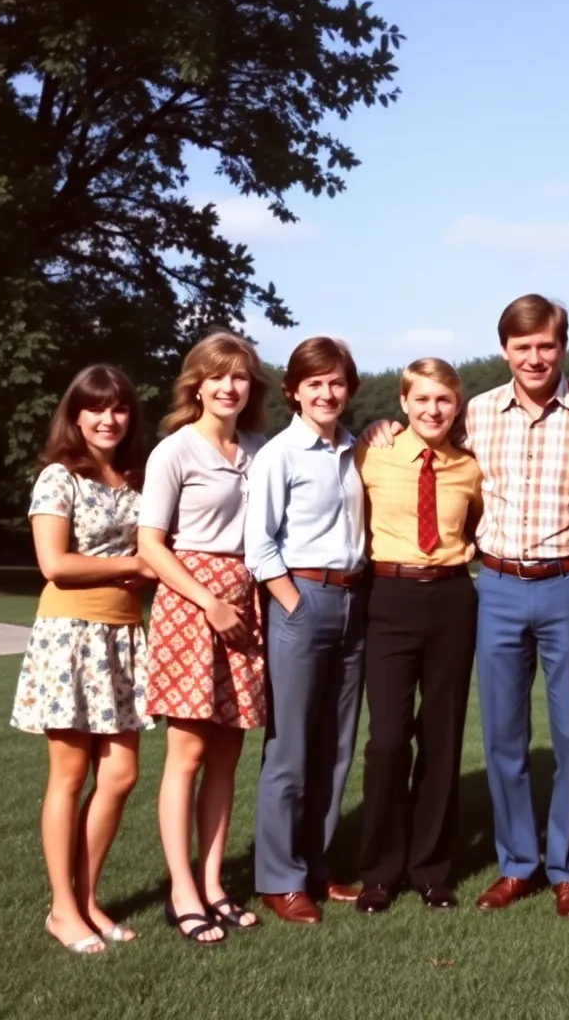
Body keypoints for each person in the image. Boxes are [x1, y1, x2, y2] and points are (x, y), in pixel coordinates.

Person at [363, 295, 569, 917]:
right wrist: (379, 428)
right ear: (505, 349)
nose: (535, 358)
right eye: (522, 346)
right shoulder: (476, 412)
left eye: (546, 346)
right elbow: (428, 451)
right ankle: (516, 865)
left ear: (563, 347)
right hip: (497, 588)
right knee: (503, 738)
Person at [11, 364, 154, 954]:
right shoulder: (57, 478)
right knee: (69, 778)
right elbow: (56, 563)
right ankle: (62, 910)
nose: (108, 418)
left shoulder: (136, 477)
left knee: (120, 775)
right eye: (95, 407)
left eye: (119, 407)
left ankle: (88, 897)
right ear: (75, 414)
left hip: (123, 636)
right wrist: (134, 567)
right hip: (69, 636)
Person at [137, 328, 268, 946]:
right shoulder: (175, 451)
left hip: (246, 604)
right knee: (186, 754)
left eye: (239, 376)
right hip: (194, 604)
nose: (228, 386)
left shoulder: (259, 449)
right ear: (197, 383)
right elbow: (150, 546)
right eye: (217, 376)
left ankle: (214, 885)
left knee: (226, 754)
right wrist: (209, 601)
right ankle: (181, 891)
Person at [353, 358, 483, 914]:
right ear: (403, 403)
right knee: (386, 741)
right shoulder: (371, 456)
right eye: (422, 399)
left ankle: (431, 868)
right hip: (388, 596)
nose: (433, 410)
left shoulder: (469, 468)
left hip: (451, 598)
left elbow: (475, 528)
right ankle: (379, 870)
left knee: (442, 737)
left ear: (458, 407)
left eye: (444, 401)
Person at [245, 337, 367, 925]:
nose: (326, 392)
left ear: (349, 389)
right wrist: (292, 602)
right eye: (314, 383)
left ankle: (315, 866)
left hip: (352, 600)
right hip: (301, 599)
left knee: (336, 747)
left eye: (336, 382)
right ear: (294, 390)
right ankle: (278, 878)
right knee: (290, 747)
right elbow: (258, 542)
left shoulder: (354, 449)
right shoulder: (280, 454)